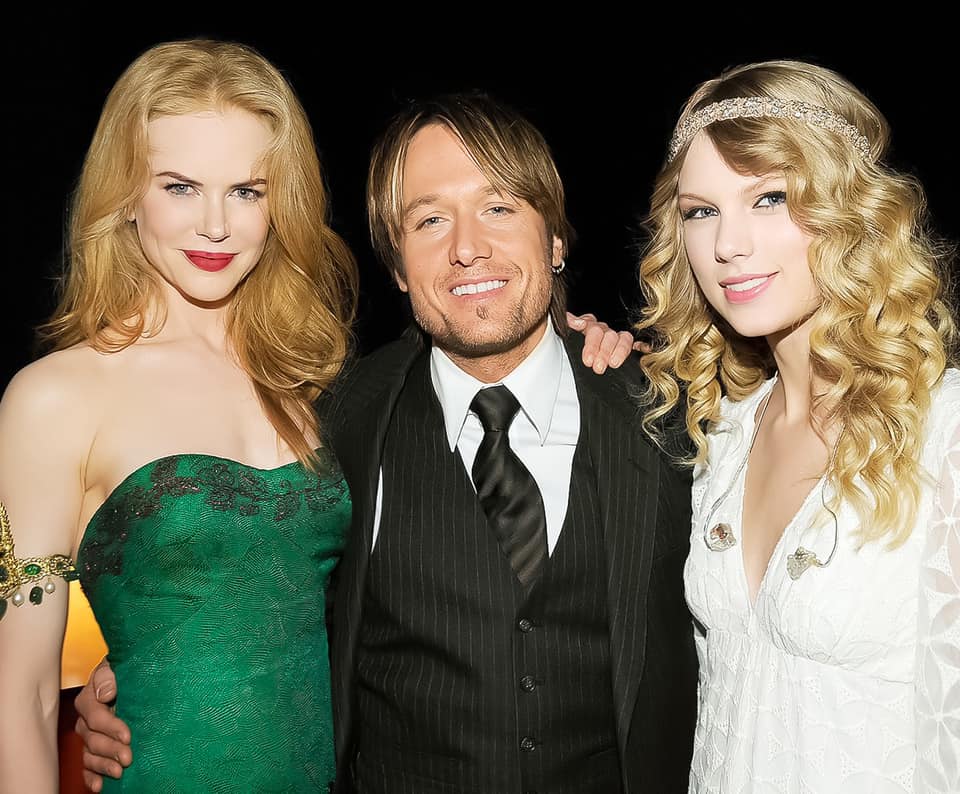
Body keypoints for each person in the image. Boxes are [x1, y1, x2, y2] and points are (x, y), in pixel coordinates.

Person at [76, 91, 698, 793]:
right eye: (430, 220)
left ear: (554, 241)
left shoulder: (670, 414)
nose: (467, 248)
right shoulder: (329, 426)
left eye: (498, 208)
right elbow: (252, 597)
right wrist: (142, 671)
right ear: (398, 266)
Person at [0, 38, 359, 792]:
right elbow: (23, 697)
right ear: (126, 194)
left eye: (247, 191)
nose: (215, 226)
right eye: (181, 187)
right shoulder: (55, 397)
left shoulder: (313, 381)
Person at [633, 59, 959, 793]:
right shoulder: (723, 437)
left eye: (770, 198)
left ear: (851, 209)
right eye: (700, 211)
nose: (728, 244)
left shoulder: (943, 433)